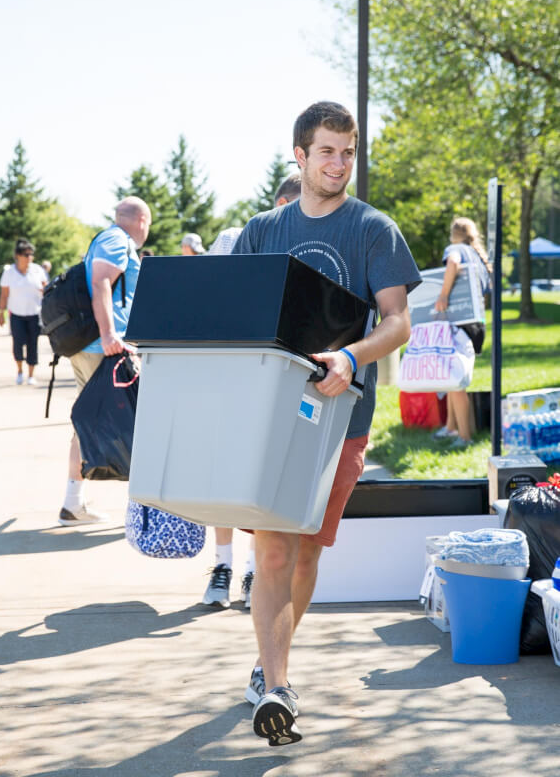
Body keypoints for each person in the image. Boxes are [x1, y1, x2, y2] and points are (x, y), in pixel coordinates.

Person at [231, 101, 421, 746]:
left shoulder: (373, 229)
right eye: (327, 152)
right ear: (300, 155)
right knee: (273, 549)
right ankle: (277, 685)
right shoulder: (263, 230)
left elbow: (398, 321)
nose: (339, 164)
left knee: (307, 550)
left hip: (342, 418)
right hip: (270, 420)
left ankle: (269, 663)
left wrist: (351, 356)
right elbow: (238, 315)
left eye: (348, 153)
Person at [202, 173, 303, 611]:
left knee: (266, 479)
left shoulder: (308, 246)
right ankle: (222, 566)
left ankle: (251, 569)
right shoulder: (232, 238)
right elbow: (207, 300)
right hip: (230, 376)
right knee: (225, 477)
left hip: (279, 379)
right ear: (282, 204)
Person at [59, 196, 152, 526]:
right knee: (137, 422)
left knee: (86, 422)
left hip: (94, 345)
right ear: (142, 221)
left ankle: (73, 504)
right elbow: (101, 281)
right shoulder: (117, 239)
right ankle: (143, 513)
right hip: (105, 348)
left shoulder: (108, 239)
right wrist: (110, 334)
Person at [433, 217, 491, 448]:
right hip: (476, 324)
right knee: (452, 379)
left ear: (453, 233)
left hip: (461, 324)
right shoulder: (478, 256)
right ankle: (450, 427)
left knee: (457, 383)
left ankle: (465, 437)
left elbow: (452, 264)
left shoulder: (455, 250)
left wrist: (443, 295)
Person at [0, 239, 47, 385]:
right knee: (18, 344)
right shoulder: (9, 272)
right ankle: (19, 371)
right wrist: (1, 313)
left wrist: (44, 291)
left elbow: (47, 290)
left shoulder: (37, 270)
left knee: (33, 344)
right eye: (26, 254)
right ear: (18, 256)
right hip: (16, 314)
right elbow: (4, 295)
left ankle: (31, 375)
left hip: (34, 314)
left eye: (31, 254)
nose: (29, 257)